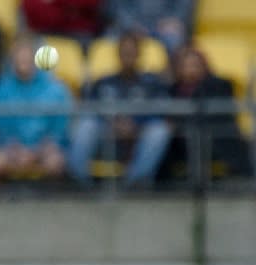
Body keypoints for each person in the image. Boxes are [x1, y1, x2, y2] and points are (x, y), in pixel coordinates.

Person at [68, 32, 172, 189]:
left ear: (139, 53)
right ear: (118, 54)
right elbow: (90, 108)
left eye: (131, 51)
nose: (128, 55)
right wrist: (112, 123)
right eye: (124, 51)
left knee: (160, 130)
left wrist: (136, 125)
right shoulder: (104, 82)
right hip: (106, 138)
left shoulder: (151, 83)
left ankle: (135, 184)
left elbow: (161, 110)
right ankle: (79, 183)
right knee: (86, 124)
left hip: (138, 141)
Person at [0, 35, 72, 188]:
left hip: (46, 148)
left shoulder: (56, 89)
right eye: (18, 57)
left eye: (27, 57)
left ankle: (50, 196)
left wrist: (38, 150)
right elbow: (0, 126)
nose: (23, 61)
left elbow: (60, 127)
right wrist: (16, 150)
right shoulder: (1, 89)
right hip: (12, 148)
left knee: (55, 163)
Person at [162, 44, 252, 180]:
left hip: (216, 137)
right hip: (181, 141)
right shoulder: (172, 90)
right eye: (186, 65)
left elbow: (221, 117)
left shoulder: (220, 85)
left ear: (204, 66)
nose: (190, 70)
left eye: (195, 65)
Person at [105, 0, 197, 57]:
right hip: (132, 26)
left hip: (164, 26)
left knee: (174, 40)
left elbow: (183, 5)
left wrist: (174, 19)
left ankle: (169, 82)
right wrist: (131, 25)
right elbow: (118, 7)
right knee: (109, 40)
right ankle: (114, 84)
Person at [21, 0, 105, 50]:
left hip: (79, 35)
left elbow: (92, 3)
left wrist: (54, 3)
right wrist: (68, 11)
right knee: (25, 48)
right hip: (43, 33)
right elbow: (31, 8)